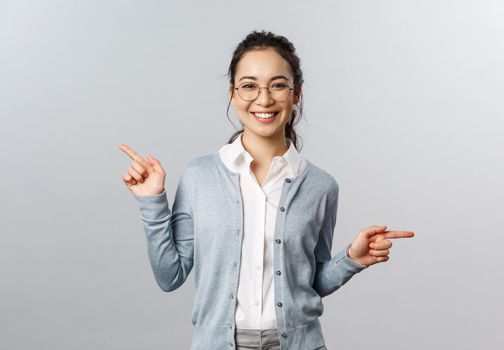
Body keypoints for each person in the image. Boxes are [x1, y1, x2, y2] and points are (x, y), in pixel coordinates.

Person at [119, 30, 414, 350]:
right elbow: (169, 276)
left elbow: (309, 282)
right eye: (249, 86)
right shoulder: (199, 176)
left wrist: (352, 259)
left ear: (296, 93)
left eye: (277, 85)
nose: (264, 99)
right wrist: (152, 202)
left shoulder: (321, 186)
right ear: (232, 93)